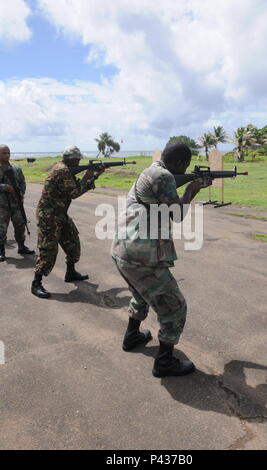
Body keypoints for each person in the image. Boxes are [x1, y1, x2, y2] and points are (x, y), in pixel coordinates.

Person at [111, 141, 212, 377]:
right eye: (184, 166)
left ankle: (132, 336)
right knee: (175, 307)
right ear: (178, 163)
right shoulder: (164, 176)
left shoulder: (151, 170)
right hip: (141, 256)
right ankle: (164, 362)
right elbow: (176, 214)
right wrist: (192, 190)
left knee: (141, 295)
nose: (184, 170)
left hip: (123, 251)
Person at [31, 145, 105, 298]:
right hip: (49, 216)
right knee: (48, 249)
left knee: (72, 241)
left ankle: (70, 272)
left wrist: (93, 175)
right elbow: (74, 193)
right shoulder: (62, 170)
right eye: (78, 160)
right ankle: (36, 283)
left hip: (60, 214)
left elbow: (73, 188)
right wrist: (90, 175)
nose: (79, 163)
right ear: (72, 159)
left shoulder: (65, 168)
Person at [0, 144, 35, 262]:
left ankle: (21, 246)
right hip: (2, 205)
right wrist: (5, 187)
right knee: (1, 228)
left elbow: (22, 182)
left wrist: (21, 193)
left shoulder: (16, 168)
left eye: (8, 153)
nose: (7, 155)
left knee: (20, 225)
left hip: (16, 203)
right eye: (4, 153)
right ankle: (1, 251)